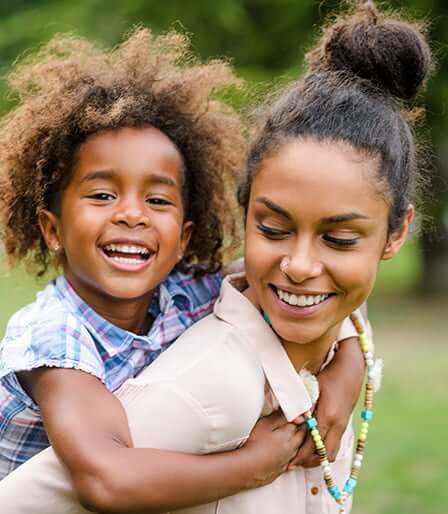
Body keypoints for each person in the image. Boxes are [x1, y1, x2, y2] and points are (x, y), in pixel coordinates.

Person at [0, 25, 365, 510]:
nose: (132, 214)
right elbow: (105, 480)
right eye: (103, 194)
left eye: (157, 199)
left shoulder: (189, 292)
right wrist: (251, 467)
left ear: (183, 239)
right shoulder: (54, 338)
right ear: (53, 229)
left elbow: (305, 286)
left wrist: (346, 369)